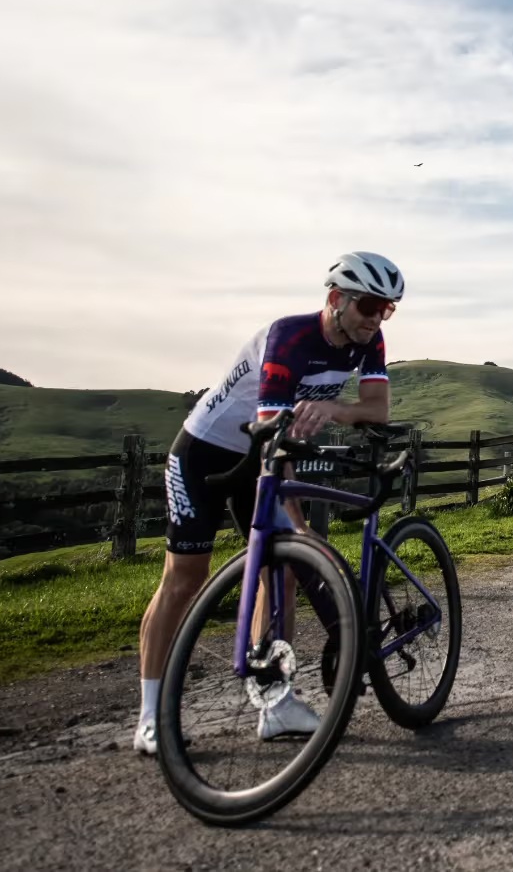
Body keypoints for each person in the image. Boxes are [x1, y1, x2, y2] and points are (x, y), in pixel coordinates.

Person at [133, 252, 403, 755]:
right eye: (368, 305)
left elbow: (377, 409)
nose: (375, 318)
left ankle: (274, 704)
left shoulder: (369, 342)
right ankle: (151, 717)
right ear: (335, 299)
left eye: (386, 309)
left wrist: (332, 408)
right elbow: (273, 437)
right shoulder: (290, 338)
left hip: (267, 449)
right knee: (185, 578)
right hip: (207, 453)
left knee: (280, 571)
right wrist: (300, 529)